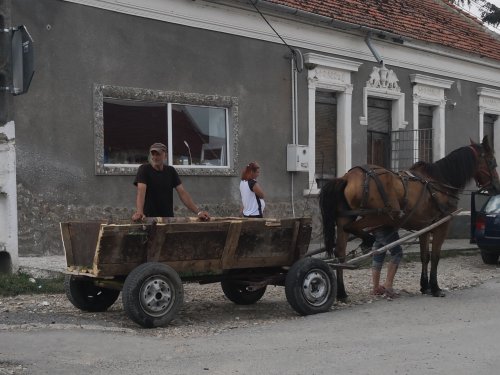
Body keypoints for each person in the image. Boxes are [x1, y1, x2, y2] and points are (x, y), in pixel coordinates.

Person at [131, 142, 210, 221]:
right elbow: (141, 192)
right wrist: (140, 213)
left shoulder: (170, 171)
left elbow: (183, 193)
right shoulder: (144, 169)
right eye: (153, 154)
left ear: (165, 156)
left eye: (158, 154)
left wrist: (198, 213)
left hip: (168, 219)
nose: (155, 157)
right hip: (149, 219)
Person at [371, 227, 402, 299]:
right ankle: (388, 285)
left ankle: (376, 287)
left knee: (378, 253)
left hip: (375, 228)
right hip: (386, 226)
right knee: (397, 253)